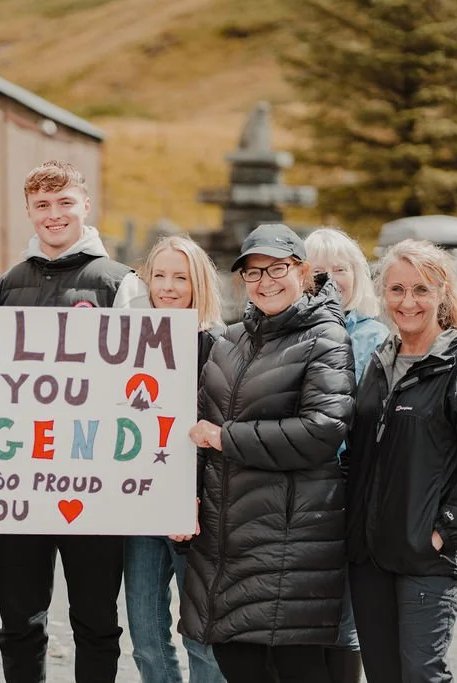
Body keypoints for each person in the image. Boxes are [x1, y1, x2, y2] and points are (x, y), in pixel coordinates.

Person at [0, 160, 144, 683]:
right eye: (42, 206)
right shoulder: (7, 285)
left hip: (94, 480)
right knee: (20, 621)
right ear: (29, 211)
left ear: (85, 205)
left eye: (65, 203)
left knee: (96, 621)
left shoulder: (120, 284)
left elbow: (141, 383)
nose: (54, 216)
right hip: (21, 477)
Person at [181, 223, 354, 683]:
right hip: (223, 546)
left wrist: (227, 438)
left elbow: (323, 429)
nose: (265, 281)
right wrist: (182, 499)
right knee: (239, 667)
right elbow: (195, 427)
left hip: (289, 546)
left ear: (302, 271)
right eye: (253, 273)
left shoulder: (325, 337)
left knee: (297, 671)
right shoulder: (228, 342)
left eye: (277, 268)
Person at [346, 239, 457, 683]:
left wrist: (442, 534)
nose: (408, 301)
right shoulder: (380, 363)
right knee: (382, 674)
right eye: (397, 290)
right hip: (369, 557)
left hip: (425, 558)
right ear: (384, 295)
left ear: (442, 293)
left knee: (420, 674)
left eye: (420, 289)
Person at [123, 235, 226, 683]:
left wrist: (193, 497)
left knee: (202, 637)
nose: (167, 287)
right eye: (159, 276)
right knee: (146, 639)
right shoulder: (128, 344)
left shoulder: (222, 347)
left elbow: (220, 429)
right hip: (142, 507)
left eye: (179, 277)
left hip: (197, 513)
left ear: (197, 283)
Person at [305, 227, 389, 683]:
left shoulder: (374, 339)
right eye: (320, 272)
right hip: (298, 486)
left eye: (342, 269)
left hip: (348, 483)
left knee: (343, 616)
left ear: (358, 276)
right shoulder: (291, 331)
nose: (333, 279)